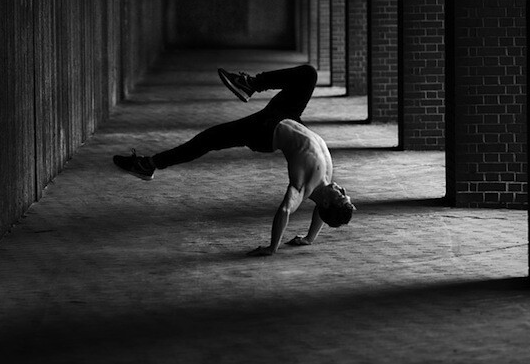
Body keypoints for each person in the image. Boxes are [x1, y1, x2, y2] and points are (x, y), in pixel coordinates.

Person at [113, 64, 355, 256]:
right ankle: (250, 84)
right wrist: (310, 238)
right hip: (288, 115)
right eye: (345, 193)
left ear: (327, 202)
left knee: (207, 139)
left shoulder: (302, 187)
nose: (342, 189)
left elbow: (284, 210)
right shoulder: (326, 182)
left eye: (341, 195)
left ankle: (148, 165)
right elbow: (321, 211)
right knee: (308, 75)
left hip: (265, 130)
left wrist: (272, 247)